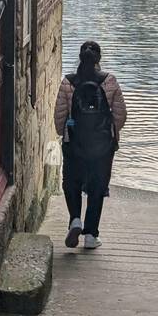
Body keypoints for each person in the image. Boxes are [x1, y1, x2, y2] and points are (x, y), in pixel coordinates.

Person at [54, 41, 127, 249]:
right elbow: (121, 115)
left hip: (74, 143)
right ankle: (90, 235)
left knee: (71, 182)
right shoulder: (109, 81)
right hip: (102, 146)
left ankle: (75, 219)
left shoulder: (69, 82)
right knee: (97, 187)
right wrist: (110, 133)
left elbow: (60, 115)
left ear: (80, 57)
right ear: (99, 59)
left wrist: (63, 133)